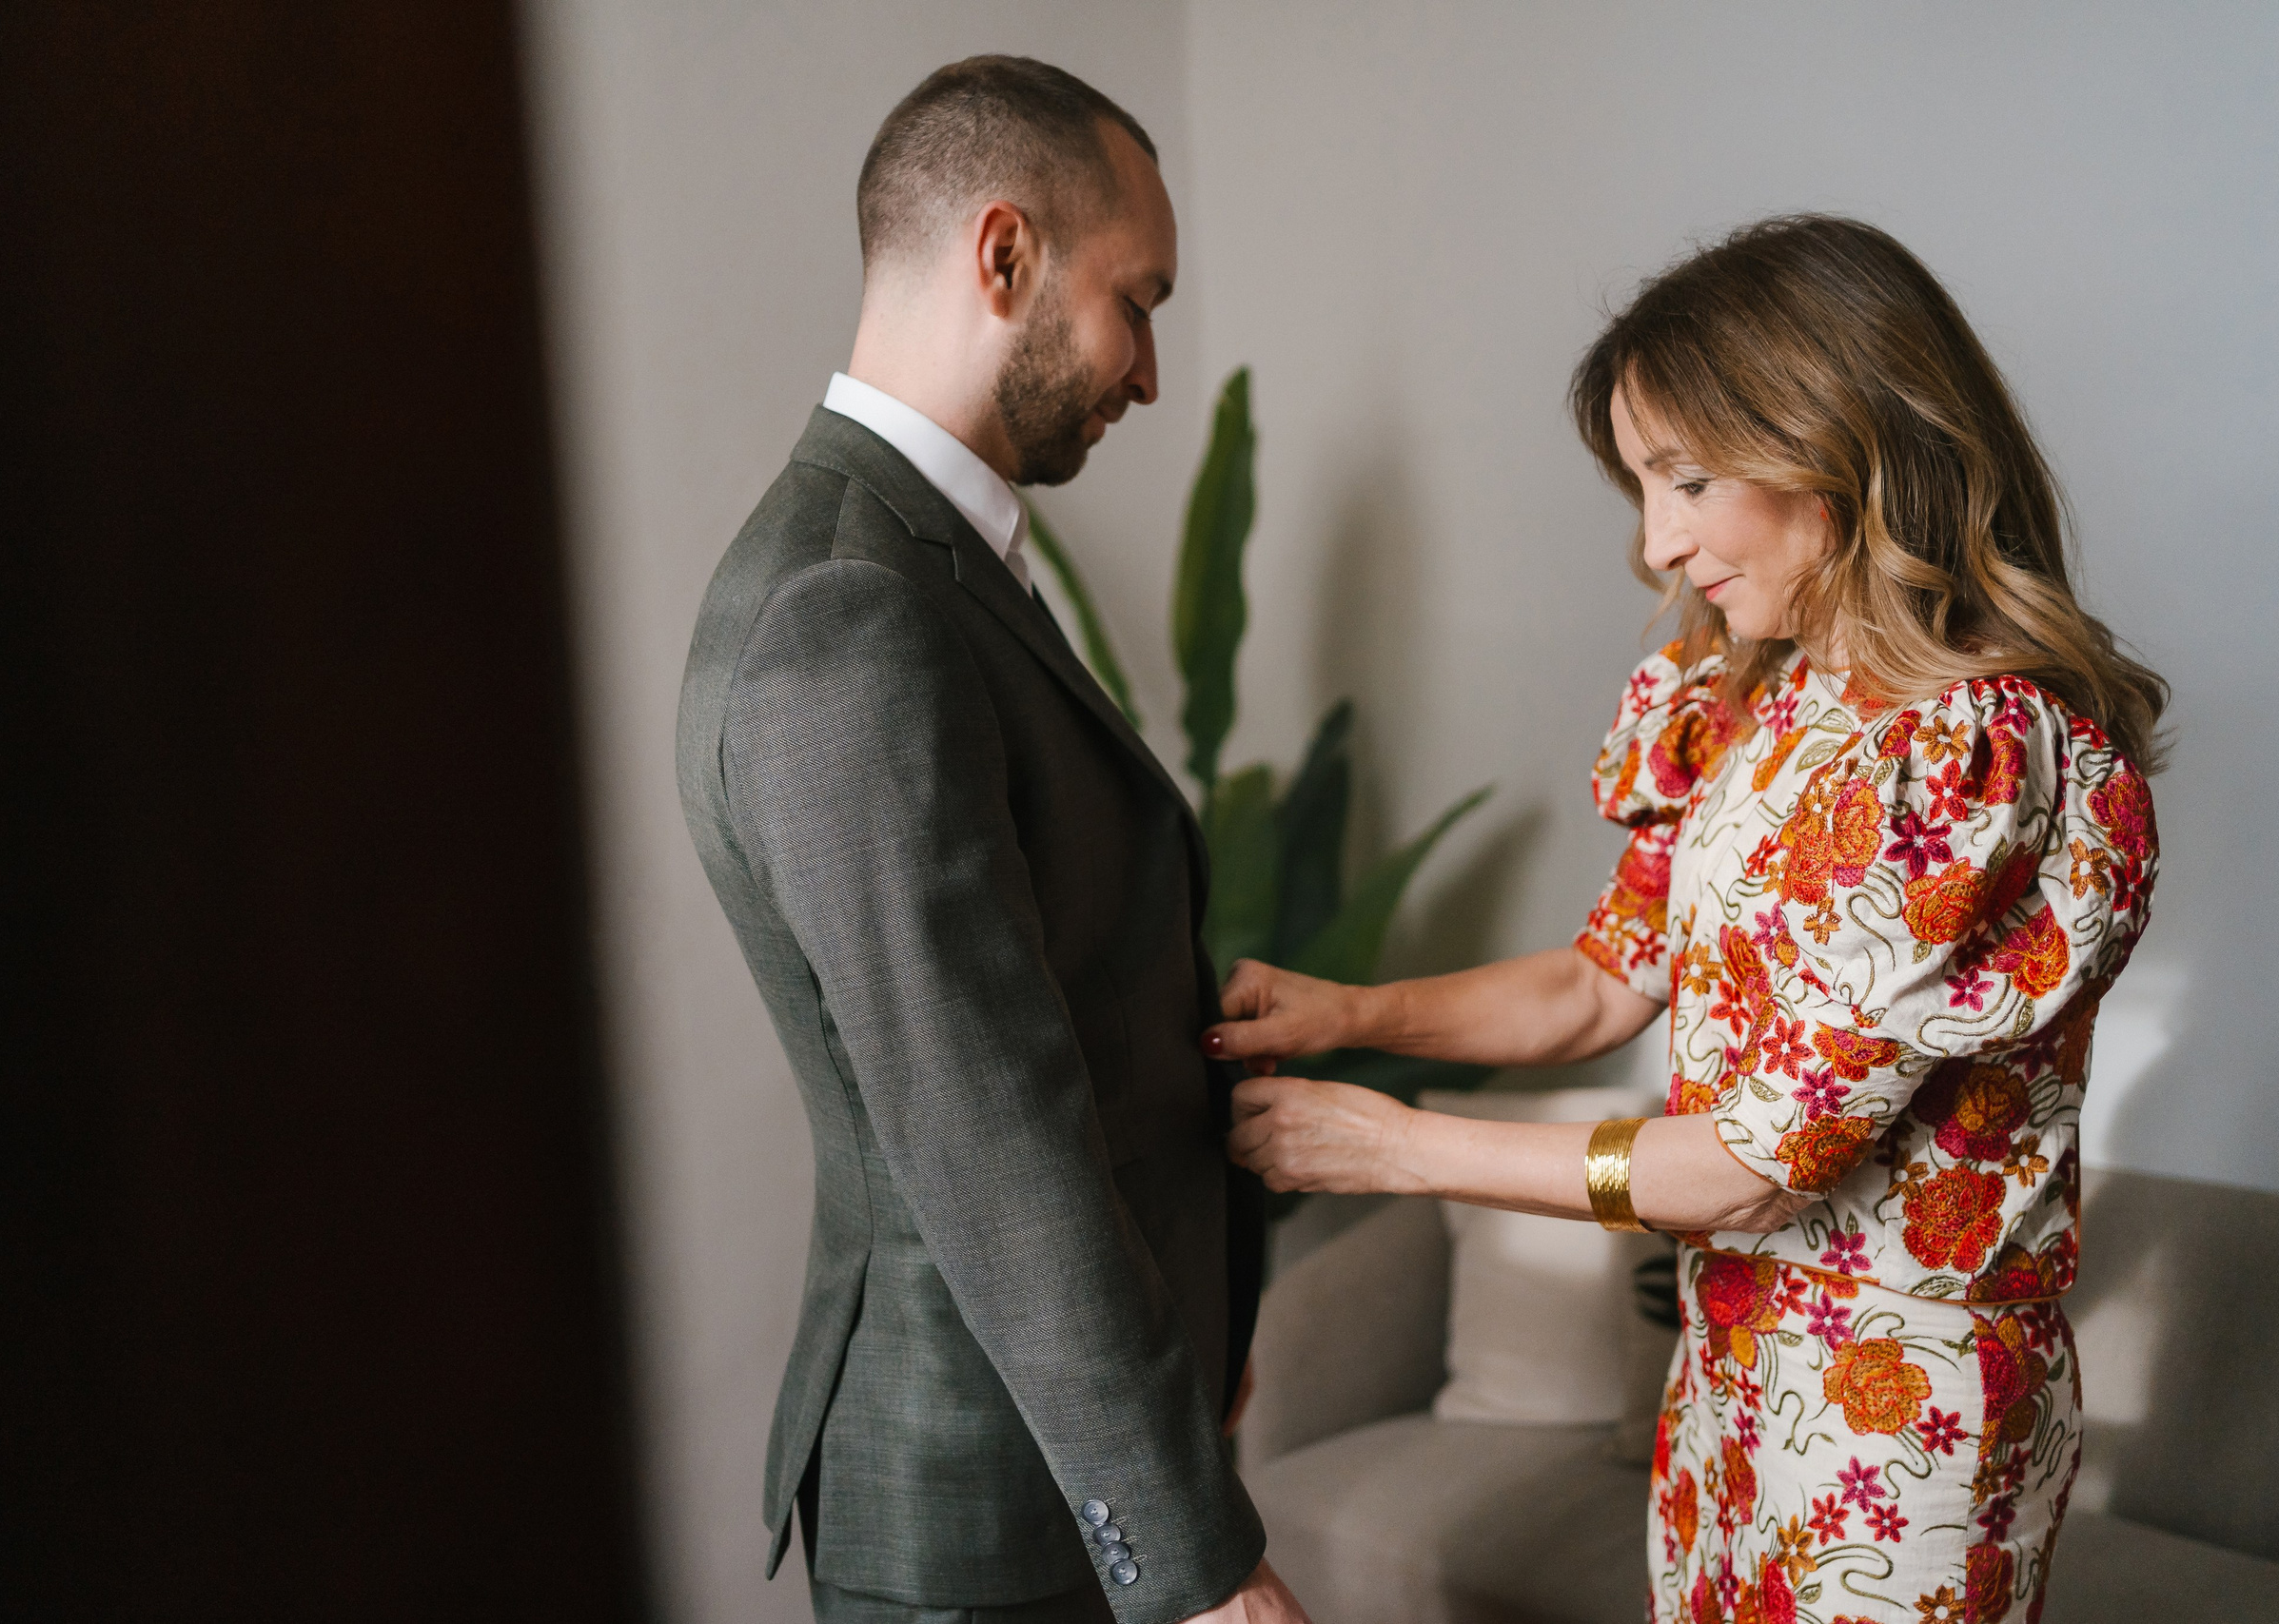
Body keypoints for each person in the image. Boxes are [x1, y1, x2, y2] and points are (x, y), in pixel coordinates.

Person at [1208, 216, 2166, 1624]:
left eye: (1689, 478)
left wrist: (1398, 1147)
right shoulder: (1750, 704)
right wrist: (1353, 1016)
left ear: (1840, 437)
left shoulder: (1967, 753)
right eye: (1643, 485)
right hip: (1729, 1388)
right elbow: (1600, 983)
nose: (1659, 542)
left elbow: (1753, 1167)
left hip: (1899, 1435)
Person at [677, 56, 1307, 1624]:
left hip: (1065, 1445)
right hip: (980, 1493)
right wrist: (1197, 1558)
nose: (1150, 371)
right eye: (1137, 301)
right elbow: (979, 1119)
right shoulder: (847, 609)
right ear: (1006, 254)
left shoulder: (927, 559)